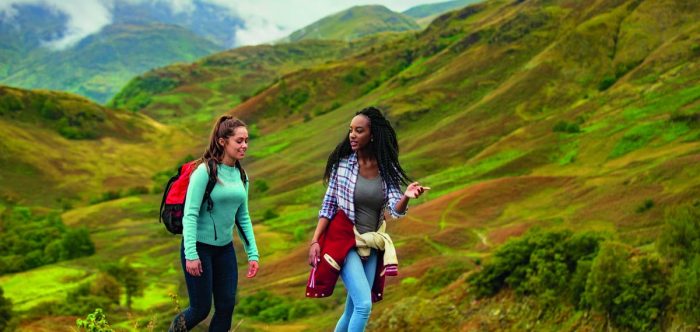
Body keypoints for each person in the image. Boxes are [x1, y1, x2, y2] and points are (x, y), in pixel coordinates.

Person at [307, 106, 428, 332]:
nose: (352, 135)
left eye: (359, 130)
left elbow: (395, 208)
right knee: (363, 306)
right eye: (351, 130)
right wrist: (315, 241)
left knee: (353, 309)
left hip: (371, 242)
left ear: (371, 135)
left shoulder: (386, 168)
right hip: (344, 241)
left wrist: (406, 197)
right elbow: (328, 206)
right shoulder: (342, 165)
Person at [170, 115, 259, 332]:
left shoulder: (241, 175)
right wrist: (191, 254)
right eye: (239, 141)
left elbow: (243, 216)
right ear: (222, 142)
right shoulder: (204, 172)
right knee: (200, 309)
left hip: (224, 250)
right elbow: (189, 215)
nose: (244, 145)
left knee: (226, 305)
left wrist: (253, 253)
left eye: (247, 140)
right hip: (199, 248)